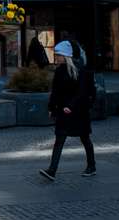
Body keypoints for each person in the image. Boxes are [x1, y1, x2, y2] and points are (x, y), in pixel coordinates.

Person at [40, 40, 97, 181]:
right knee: (59, 139)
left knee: (85, 138)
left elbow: (82, 92)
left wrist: (70, 106)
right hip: (63, 112)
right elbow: (55, 92)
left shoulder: (80, 70)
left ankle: (92, 166)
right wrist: (51, 108)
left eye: (58, 55)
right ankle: (52, 170)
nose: (56, 57)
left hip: (78, 111)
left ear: (65, 56)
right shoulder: (59, 71)